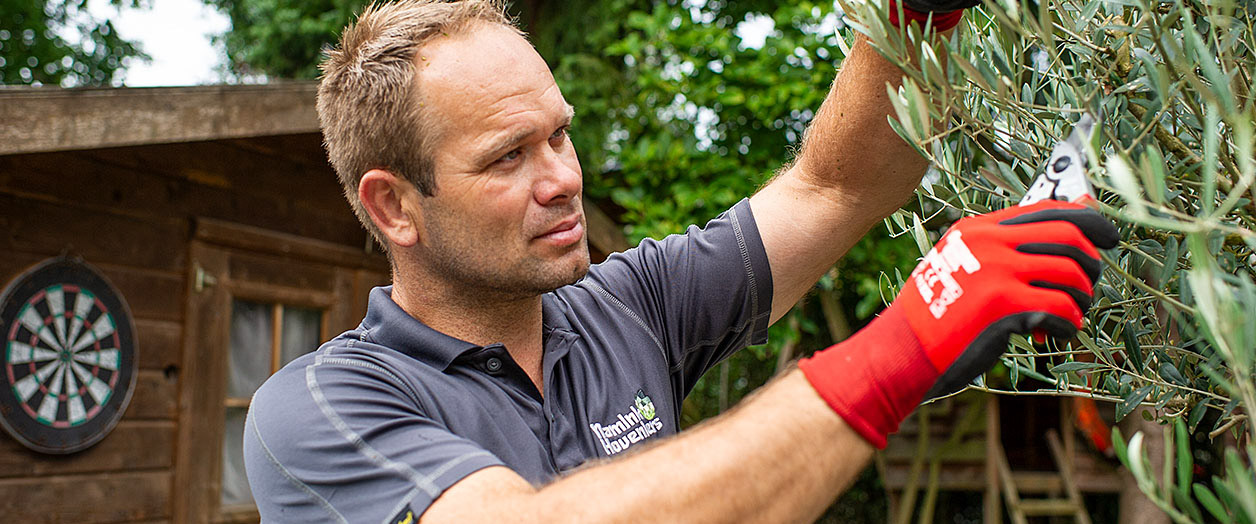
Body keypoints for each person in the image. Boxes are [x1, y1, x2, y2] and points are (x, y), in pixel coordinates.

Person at [243, 1, 1118, 522]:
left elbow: (832, 189)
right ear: (393, 205)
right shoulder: (319, 411)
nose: (564, 180)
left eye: (561, 135)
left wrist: (910, 24)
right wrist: (899, 350)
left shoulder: (627, 305)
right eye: (509, 157)